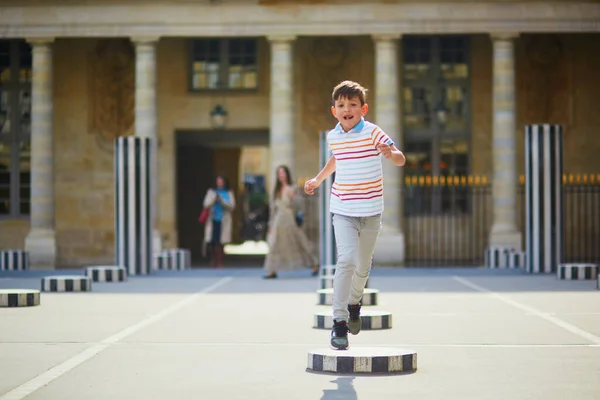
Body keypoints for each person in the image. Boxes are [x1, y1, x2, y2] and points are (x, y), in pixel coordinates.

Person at [304, 80, 405, 350]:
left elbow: (400, 159)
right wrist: (318, 179)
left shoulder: (373, 133)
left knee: (362, 267)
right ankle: (338, 323)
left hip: (371, 211)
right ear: (333, 110)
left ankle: (354, 303)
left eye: (352, 105)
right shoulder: (333, 136)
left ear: (363, 109)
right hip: (344, 209)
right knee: (346, 260)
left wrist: (390, 152)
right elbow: (336, 158)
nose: (346, 109)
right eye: (341, 105)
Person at [263, 165, 319, 279]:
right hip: (278, 220)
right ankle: (272, 270)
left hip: (289, 219)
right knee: (274, 244)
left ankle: (314, 264)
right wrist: (270, 224)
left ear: (287, 174)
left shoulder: (293, 188)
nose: (281, 175)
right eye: (279, 173)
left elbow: (300, 205)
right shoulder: (276, 190)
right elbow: (273, 209)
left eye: (283, 173)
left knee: (299, 241)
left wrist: (292, 196)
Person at [202, 175, 236, 268]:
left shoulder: (228, 192)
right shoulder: (211, 192)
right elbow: (206, 204)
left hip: (223, 220)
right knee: (212, 241)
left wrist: (222, 201)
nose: (219, 183)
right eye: (218, 181)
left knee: (221, 242)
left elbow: (232, 206)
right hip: (213, 219)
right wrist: (214, 199)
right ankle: (213, 259)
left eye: (221, 181)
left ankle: (220, 261)